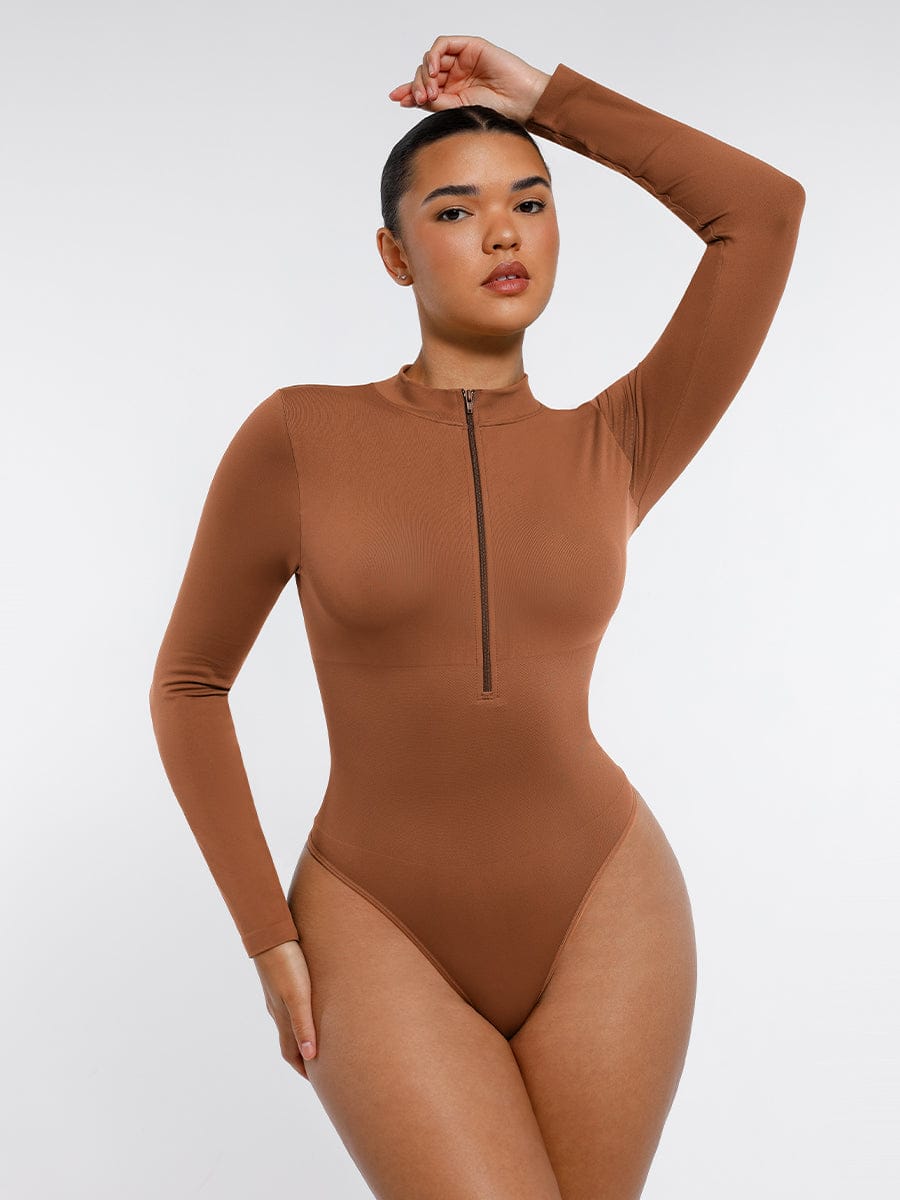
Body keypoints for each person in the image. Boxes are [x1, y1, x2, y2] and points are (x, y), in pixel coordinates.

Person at [149, 33, 805, 1199]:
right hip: (375, 918)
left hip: (606, 904)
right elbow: (190, 686)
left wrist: (547, 100)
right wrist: (266, 934)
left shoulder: (622, 440)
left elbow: (763, 212)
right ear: (394, 255)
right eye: (456, 211)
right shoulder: (298, 437)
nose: (504, 233)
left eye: (530, 202)